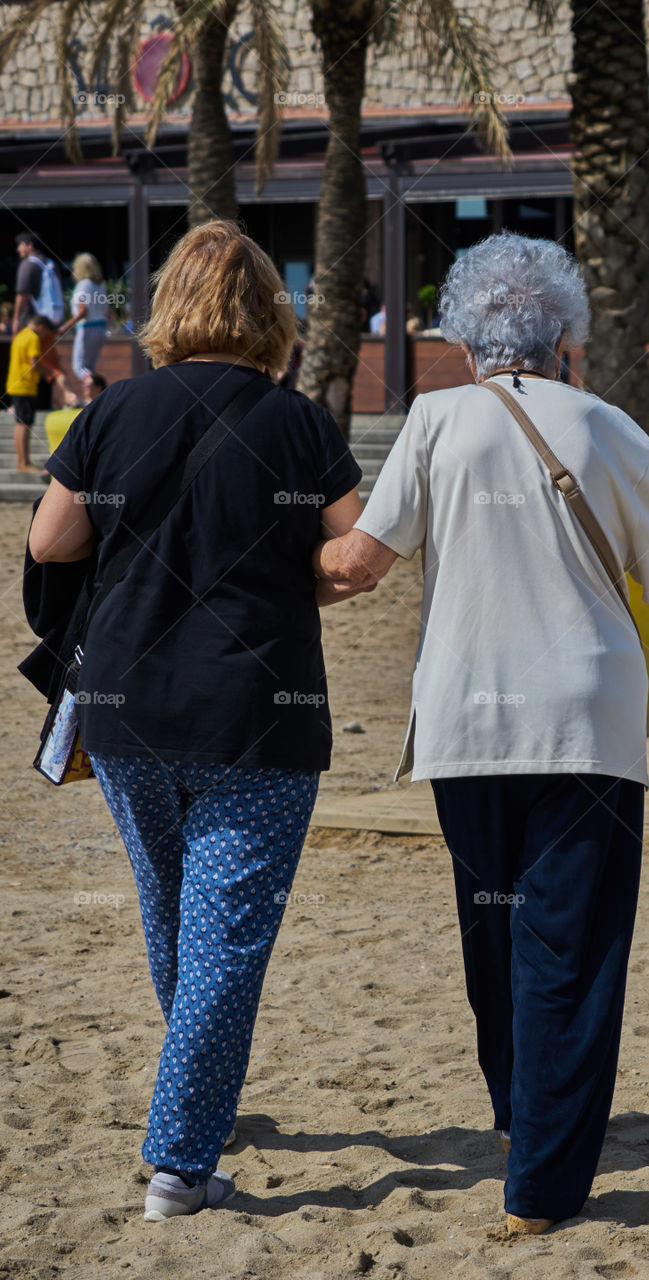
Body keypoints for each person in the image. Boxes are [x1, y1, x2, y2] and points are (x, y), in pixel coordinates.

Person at [315, 231, 649, 1236]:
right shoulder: (612, 427)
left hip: (468, 718)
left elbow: (358, 565)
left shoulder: (436, 418)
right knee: (569, 946)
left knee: (493, 928)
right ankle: (539, 1183)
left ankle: (515, 1115)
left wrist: (252, 565)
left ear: (462, 338)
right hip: (584, 721)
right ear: (564, 337)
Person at [27, 220, 363, 1220]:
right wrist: (289, 576)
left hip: (127, 707)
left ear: (170, 306)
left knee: (173, 911)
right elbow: (351, 557)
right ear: (271, 315)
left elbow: (51, 542)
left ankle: (196, 1091)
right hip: (258, 711)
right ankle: (179, 1163)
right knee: (227, 936)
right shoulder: (297, 422)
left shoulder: (114, 410)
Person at [6, 314, 57, 470]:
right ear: (40, 327)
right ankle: (24, 463)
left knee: (20, 424)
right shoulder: (33, 337)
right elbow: (34, 363)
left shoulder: (20, 335)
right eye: (45, 333)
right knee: (25, 424)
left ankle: (21, 462)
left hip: (15, 383)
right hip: (25, 385)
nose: (43, 337)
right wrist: (49, 372)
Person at [57, 253, 112, 381]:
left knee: (79, 368)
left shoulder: (83, 284)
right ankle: (94, 389)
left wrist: (65, 327)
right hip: (101, 328)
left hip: (87, 327)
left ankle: (93, 387)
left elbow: (83, 311)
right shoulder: (100, 285)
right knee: (90, 367)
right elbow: (107, 311)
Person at [12, 231, 45, 334]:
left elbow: (22, 295)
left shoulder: (27, 264)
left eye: (20, 245)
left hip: (32, 322)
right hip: (51, 320)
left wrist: (16, 320)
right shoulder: (51, 264)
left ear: (30, 245)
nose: (18, 249)